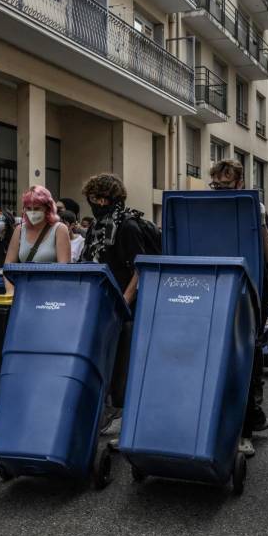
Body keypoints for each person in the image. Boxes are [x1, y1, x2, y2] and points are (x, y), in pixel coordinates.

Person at [80, 173, 161, 440]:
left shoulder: (127, 226)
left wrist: (124, 301)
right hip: (99, 303)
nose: (98, 203)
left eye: (102, 198)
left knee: (123, 362)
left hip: (123, 306)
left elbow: (140, 268)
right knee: (105, 357)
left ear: (113, 198)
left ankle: (122, 415)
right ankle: (105, 410)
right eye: (93, 199)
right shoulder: (96, 226)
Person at [209, 160, 268, 457]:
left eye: (226, 184)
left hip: (247, 291)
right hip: (220, 290)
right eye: (216, 185)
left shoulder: (254, 209)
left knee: (245, 359)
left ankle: (246, 427)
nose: (221, 190)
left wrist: (259, 221)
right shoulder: (207, 208)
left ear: (239, 183)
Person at [4, 186, 71, 292]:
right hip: (24, 292)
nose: (32, 212)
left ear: (48, 208)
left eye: (37, 208)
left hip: (51, 292)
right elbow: (8, 266)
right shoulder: (20, 230)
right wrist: (10, 291)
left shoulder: (59, 229)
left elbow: (64, 270)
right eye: (28, 209)